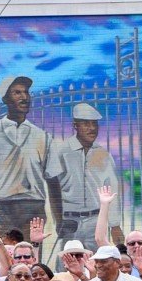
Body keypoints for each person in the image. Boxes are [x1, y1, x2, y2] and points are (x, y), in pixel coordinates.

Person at [0, 75, 60, 248]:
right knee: (8, 260)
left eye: (26, 92)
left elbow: (53, 180)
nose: (24, 97)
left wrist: (60, 221)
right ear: (6, 99)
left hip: (33, 208)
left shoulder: (42, 136)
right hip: (3, 209)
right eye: (17, 93)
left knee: (30, 259)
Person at [49, 103, 122, 251]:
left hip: (96, 221)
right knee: (66, 264)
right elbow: (52, 187)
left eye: (94, 123)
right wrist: (59, 220)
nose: (92, 128)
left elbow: (112, 189)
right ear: (75, 125)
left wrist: (115, 226)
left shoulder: (103, 154)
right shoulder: (61, 151)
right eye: (86, 123)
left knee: (97, 262)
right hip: (69, 222)